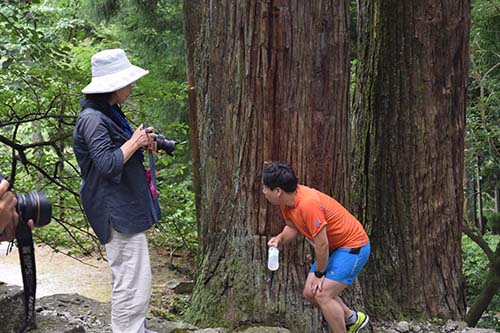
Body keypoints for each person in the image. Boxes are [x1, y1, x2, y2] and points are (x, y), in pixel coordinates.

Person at [73, 48, 160, 333]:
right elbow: (107, 164)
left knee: (138, 278)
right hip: (114, 210)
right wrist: (134, 142)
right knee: (128, 280)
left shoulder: (109, 113)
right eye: (128, 81)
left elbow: (117, 150)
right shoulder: (93, 119)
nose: (131, 86)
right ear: (114, 85)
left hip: (124, 206)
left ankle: (136, 329)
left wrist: (143, 142)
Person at [262, 162, 370, 333]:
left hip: (354, 247)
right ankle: (352, 319)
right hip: (336, 249)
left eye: (266, 188)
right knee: (310, 293)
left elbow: (322, 244)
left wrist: (320, 274)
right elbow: (293, 227)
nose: (263, 192)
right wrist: (280, 239)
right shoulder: (287, 202)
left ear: (277, 191)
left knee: (322, 294)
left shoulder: (307, 204)